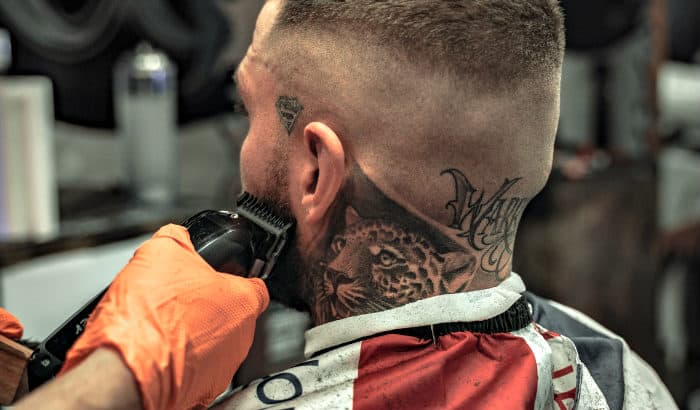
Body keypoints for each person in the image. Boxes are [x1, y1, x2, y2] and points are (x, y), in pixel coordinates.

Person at [4, 0, 676, 408]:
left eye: (249, 109)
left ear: (317, 168)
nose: (243, 144)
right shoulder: (623, 372)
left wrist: (115, 380)